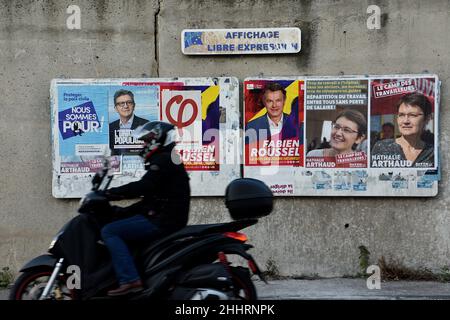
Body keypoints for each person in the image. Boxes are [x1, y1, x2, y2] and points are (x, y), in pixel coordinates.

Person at [101, 121, 191, 296]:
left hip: (164, 221)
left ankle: (130, 280)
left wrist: (112, 193)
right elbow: (150, 201)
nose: (142, 145)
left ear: (156, 140)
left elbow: (144, 187)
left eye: (145, 141)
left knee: (109, 231)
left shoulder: (164, 160)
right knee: (117, 223)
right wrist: (122, 212)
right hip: (162, 216)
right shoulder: (166, 158)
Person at [371, 92, 434, 168]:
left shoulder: (433, 152)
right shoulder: (382, 147)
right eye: (401, 115)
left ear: (427, 119)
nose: (405, 121)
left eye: (413, 115)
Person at [109, 89, 149, 155]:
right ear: (116, 108)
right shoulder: (110, 127)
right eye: (121, 103)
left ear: (134, 106)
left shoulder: (145, 124)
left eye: (129, 102)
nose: (126, 106)